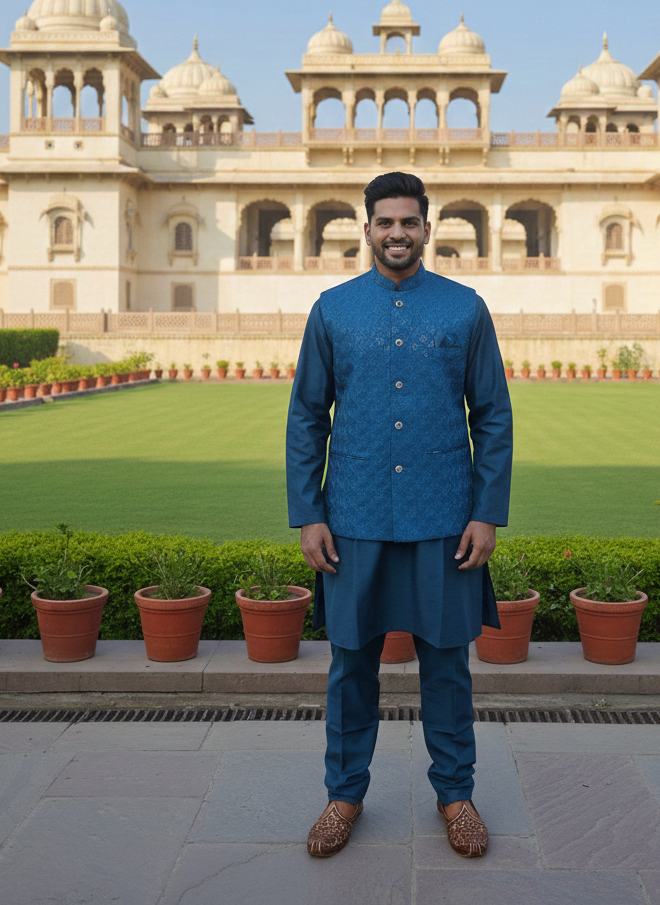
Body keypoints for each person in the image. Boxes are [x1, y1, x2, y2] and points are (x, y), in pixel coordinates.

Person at [286, 171, 512, 859]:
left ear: (426, 229)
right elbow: (306, 416)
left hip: (443, 516)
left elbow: (493, 416)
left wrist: (486, 512)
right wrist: (308, 513)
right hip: (352, 514)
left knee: (447, 666)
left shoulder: (464, 309)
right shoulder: (333, 310)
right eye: (384, 223)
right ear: (367, 230)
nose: (396, 234)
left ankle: (456, 793)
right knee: (350, 666)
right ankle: (343, 794)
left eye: (408, 222)